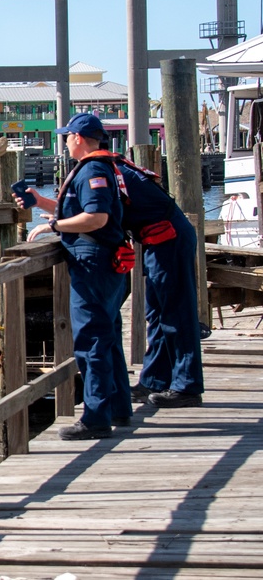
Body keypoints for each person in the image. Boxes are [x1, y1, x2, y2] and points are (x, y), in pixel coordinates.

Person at [18, 113, 133, 440]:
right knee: (107, 335)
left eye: (67, 136)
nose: (65, 141)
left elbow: (95, 218)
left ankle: (96, 417)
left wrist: (53, 226)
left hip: (92, 261)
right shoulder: (100, 167)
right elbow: (83, 211)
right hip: (103, 260)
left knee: (92, 338)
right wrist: (43, 203)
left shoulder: (93, 170)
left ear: (79, 138)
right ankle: (118, 407)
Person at [101, 152, 204, 408]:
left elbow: (101, 216)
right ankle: (155, 380)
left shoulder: (105, 172)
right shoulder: (114, 168)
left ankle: (187, 386)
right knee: (157, 315)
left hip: (168, 240)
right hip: (158, 240)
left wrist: (59, 224)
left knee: (177, 313)